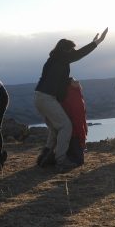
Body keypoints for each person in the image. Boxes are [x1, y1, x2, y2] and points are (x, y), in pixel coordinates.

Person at [34, 28, 108, 172]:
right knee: (65, 126)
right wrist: (96, 43)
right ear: (66, 49)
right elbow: (79, 55)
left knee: (55, 128)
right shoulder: (61, 57)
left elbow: (57, 79)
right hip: (46, 98)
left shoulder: (53, 60)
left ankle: (46, 156)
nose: (74, 52)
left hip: (39, 97)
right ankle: (61, 160)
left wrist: (69, 81)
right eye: (72, 50)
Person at [61, 78, 88, 165]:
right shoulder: (74, 96)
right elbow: (78, 120)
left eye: (77, 80)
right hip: (74, 134)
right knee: (79, 161)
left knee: (75, 157)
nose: (77, 82)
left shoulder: (71, 93)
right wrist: (82, 140)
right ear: (69, 85)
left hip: (69, 133)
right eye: (74, 81)